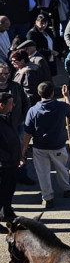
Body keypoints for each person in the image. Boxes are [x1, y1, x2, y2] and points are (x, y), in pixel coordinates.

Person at [22, 81, 70, 209]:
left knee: (43, 172)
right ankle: (67, 188)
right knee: (62, 168)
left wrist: (23, 149)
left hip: (39, 146)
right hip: (57, 145)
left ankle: (47, 198)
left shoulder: (33, 110)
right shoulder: (61, 106)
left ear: (39, 93)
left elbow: (28, 132)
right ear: (52, 92)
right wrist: (67, 96)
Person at [0, 91, 19, 221]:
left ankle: (7, 212)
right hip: (3, 164)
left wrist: (19, 156)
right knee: (1, 192)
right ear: (2, 105)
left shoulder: (7, 116)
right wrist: (5, 158)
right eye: (11, 103)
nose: (13, 106)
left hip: (12, 162)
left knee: (9, 189)